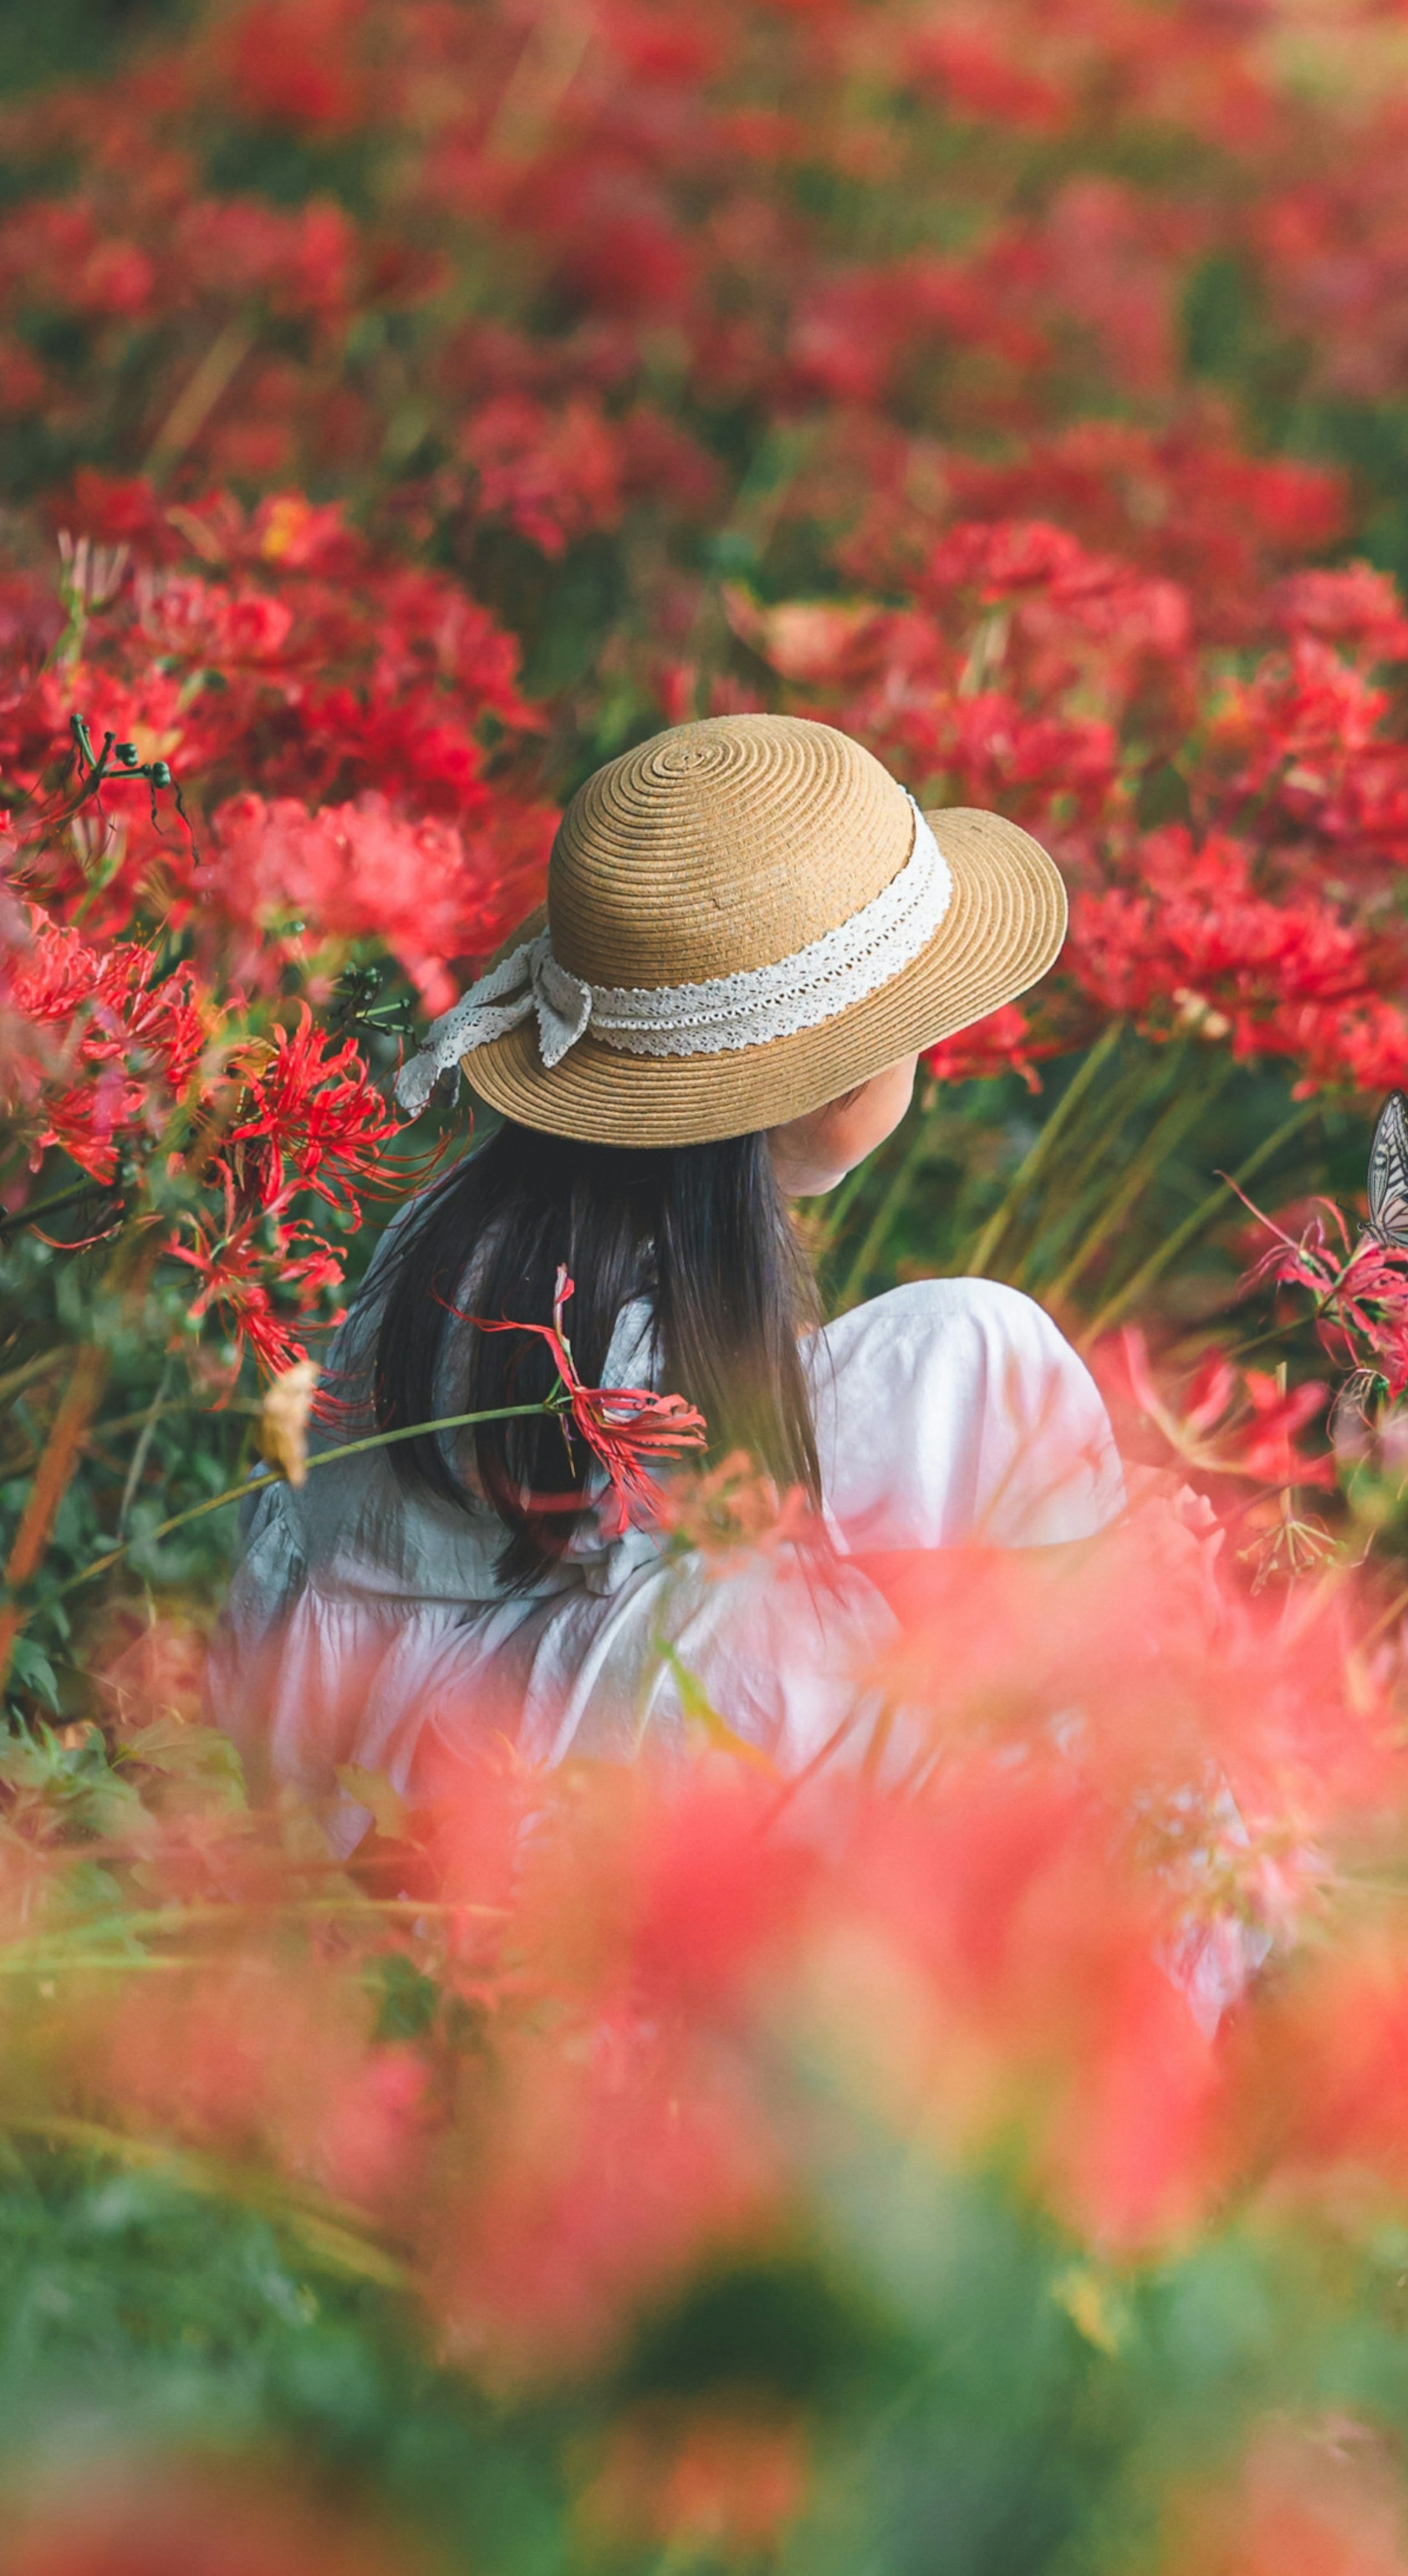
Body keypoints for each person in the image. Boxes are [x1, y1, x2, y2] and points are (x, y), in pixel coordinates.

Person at [209, 714, 1125, 1845]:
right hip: (443, 1790)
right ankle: (1115, 1830)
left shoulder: (501, 1222)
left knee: (977, 1351)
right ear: (830, 1087)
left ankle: (1102, 1704)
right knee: (959, 1416)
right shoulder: (595, 1330)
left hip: (405, 1701)